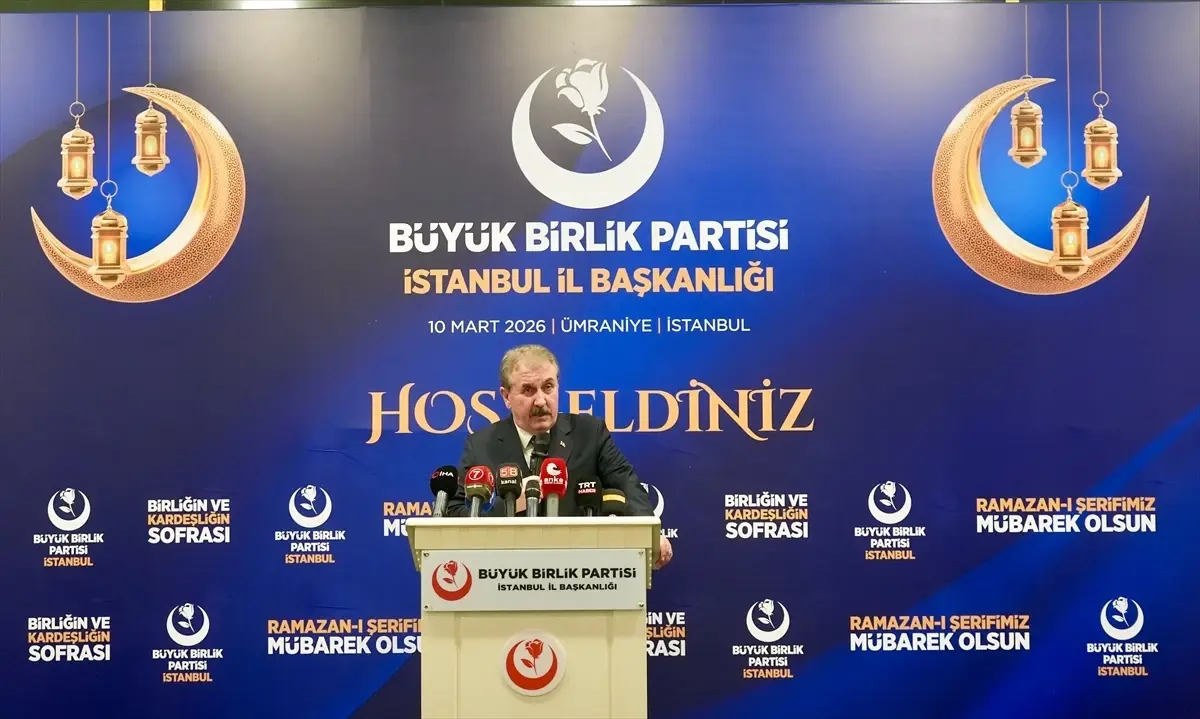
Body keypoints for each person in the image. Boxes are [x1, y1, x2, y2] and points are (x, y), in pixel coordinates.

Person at [445, 344, 674, 569]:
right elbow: (454, 512)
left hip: (580, 572)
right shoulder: (481, 444)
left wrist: (650, 532)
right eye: (528, 390)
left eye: (548, 387)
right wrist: (507, 506)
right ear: (506, 396)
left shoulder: (589, 433)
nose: (541, 400)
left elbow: (627, 484)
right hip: (505, 574)